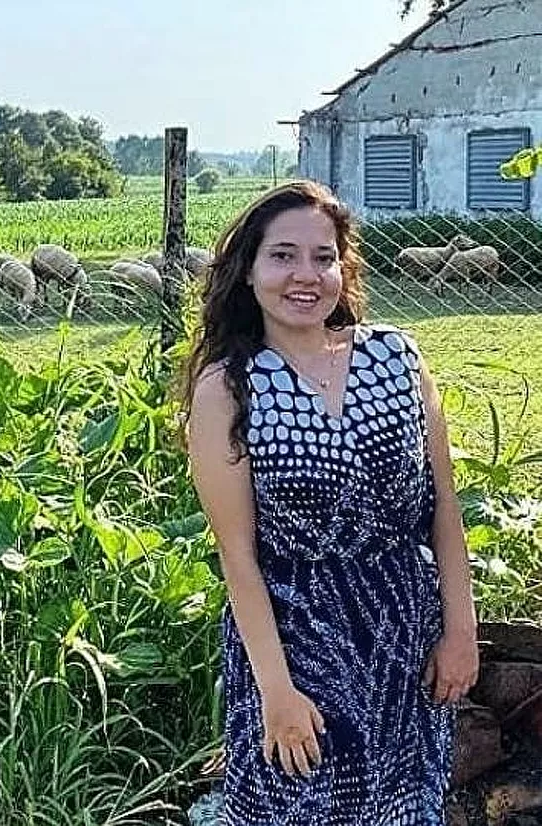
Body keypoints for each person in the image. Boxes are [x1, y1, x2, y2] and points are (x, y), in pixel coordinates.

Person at [180, 180, 479, 825]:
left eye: (324, 257)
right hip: (296, 642)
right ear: (249, 271)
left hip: (406, 631)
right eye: (283, 255)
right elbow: (238, 557)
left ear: (345, 267)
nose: (305, 275)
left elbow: (444, 515)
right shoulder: (227, 387)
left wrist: (461, 631)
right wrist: (277, 691)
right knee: (293, 805)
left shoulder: (396, 355)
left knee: (405, 804)